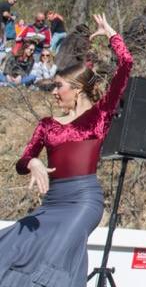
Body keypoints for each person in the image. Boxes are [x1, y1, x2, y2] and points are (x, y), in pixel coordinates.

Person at [0, 14, 132, 285]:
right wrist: (32, 163)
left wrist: (112, 35)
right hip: (52, 203)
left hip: (83, 202)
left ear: (78, 88)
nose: (53, 92)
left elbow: (126, 64)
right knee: (14, 246)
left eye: (58, 86)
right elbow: (23, 160)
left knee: (55, 256)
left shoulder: (100, 115)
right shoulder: (47, 125)